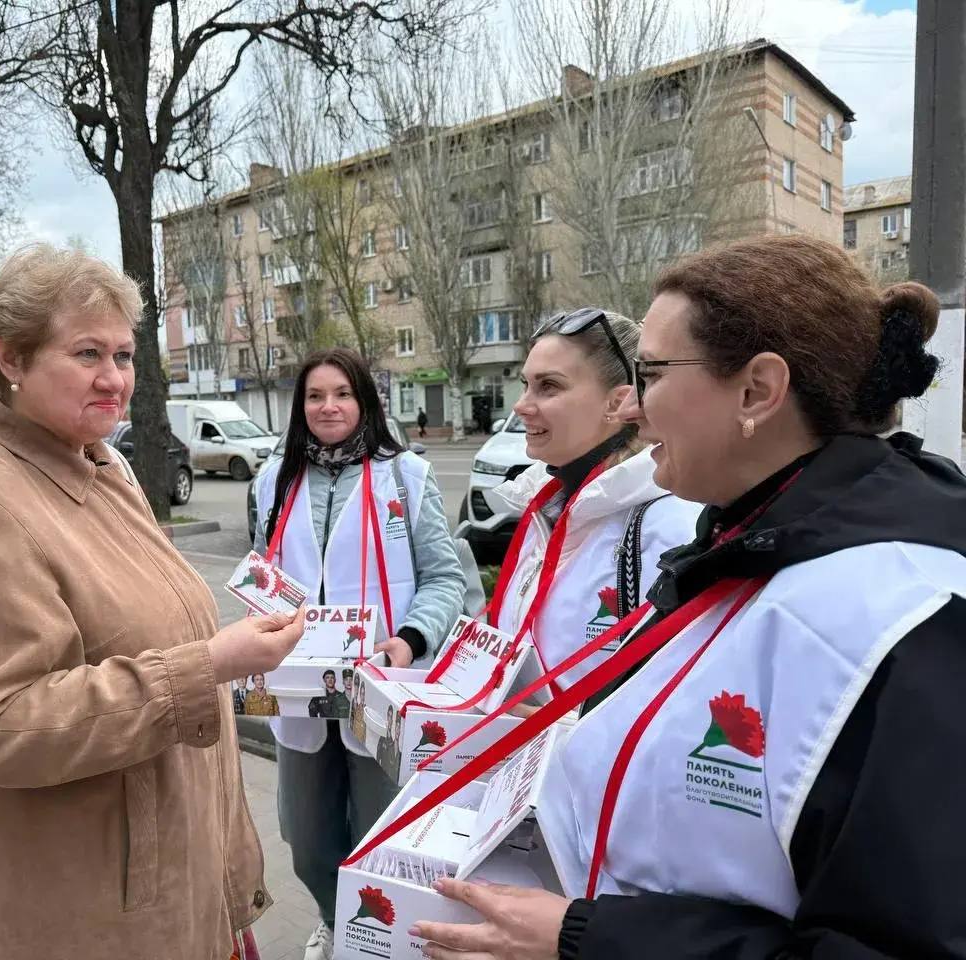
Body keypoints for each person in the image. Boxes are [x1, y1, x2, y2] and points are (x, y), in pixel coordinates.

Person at [412, 234, 966, 959]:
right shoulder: (743, 545)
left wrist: (587, 938)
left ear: (757, 391)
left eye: (650, 375)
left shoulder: (907, 623)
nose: (631, 411)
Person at [0, 244, 304, 960]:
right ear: (10, 357)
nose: (114, 378)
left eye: (124, 354)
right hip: (89, 911)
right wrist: (209, 664)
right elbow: (1, 724)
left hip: (171, 879)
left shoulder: (97, 464)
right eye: (87, 353)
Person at [253, 347, 465, 960]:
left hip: (380, 689)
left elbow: (445, 577)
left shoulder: (406, 476)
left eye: (342, 393)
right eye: (315, 396)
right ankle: (332, 915)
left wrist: (410, 640)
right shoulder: (274, 479)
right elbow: (265, 572)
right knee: (307, 840)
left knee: (379, 835)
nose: (329, 407)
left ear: (364, 400)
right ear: (301, 406)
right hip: (299, 692)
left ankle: (371, 938)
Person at [482, 309, 700, 701]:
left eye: (548, 386)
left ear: (617, 402)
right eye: (525, 385)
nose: (521, 406)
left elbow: (674, 698)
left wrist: (553, 728)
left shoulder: (669, 525)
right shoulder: (548, 507)